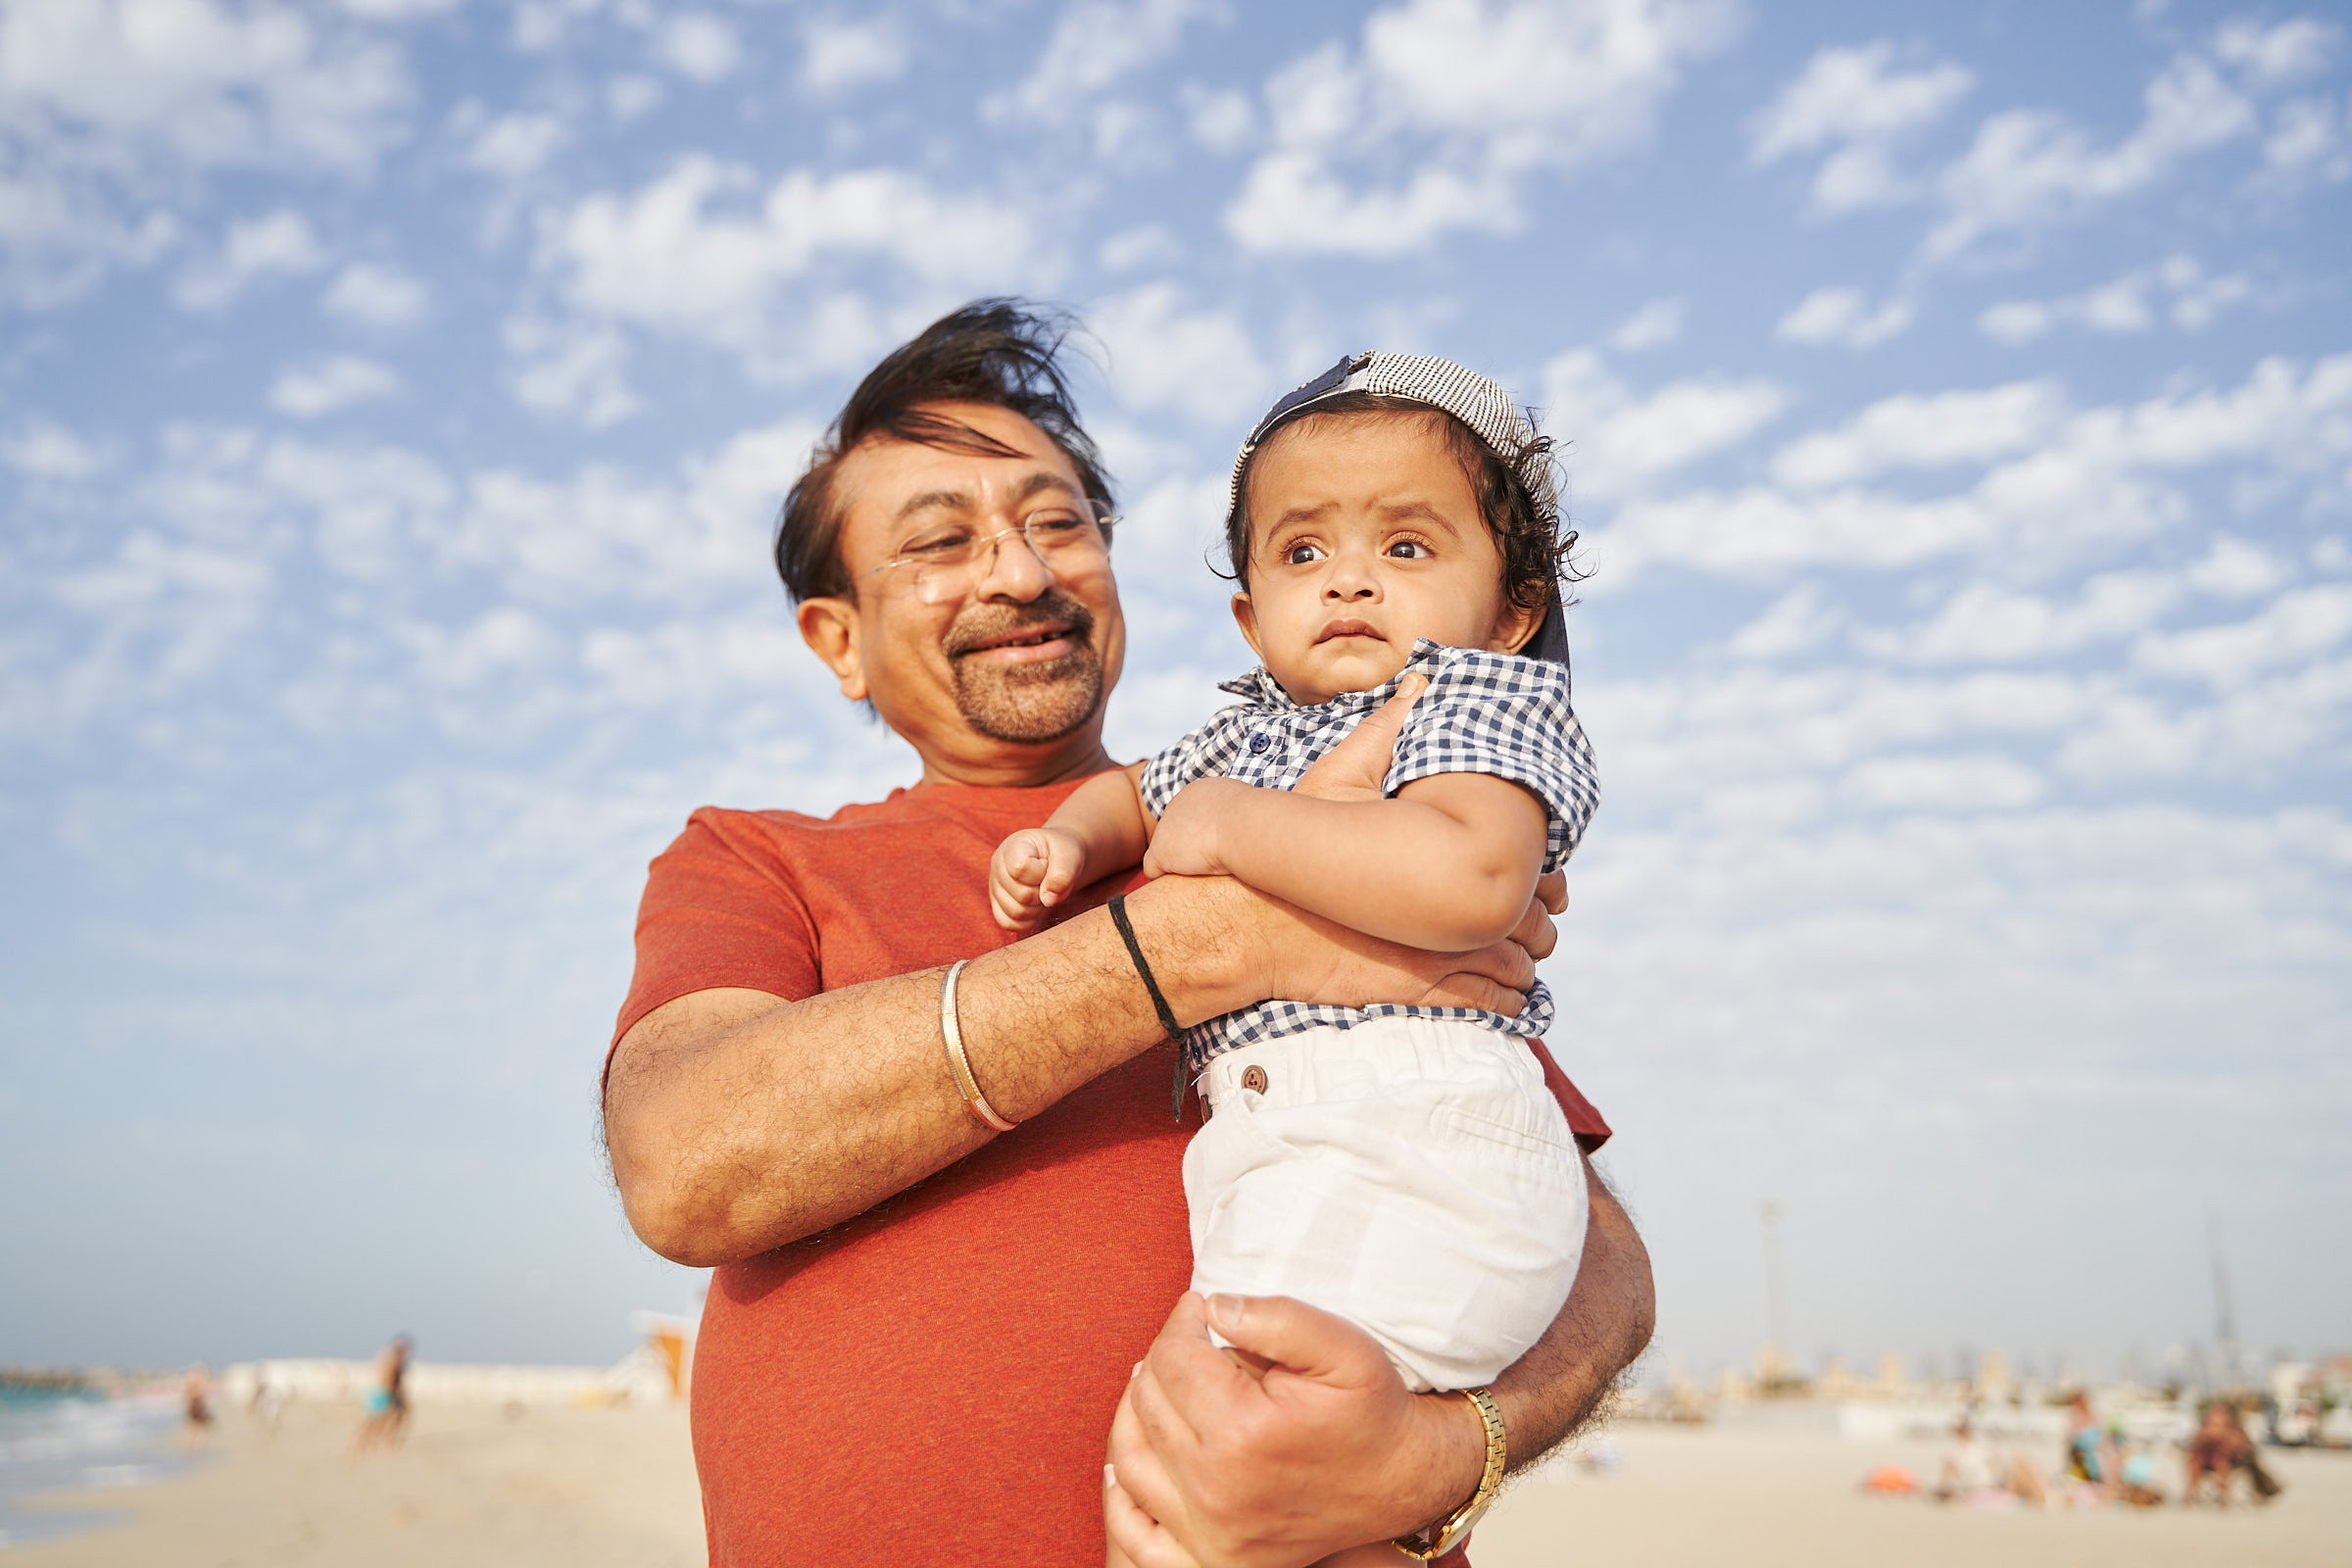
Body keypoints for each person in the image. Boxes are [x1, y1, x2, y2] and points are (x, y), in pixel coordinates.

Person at [600, 300, 1656, 1566]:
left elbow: (1594, 1253)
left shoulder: (1344, 800)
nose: (1022, 572)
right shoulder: (761, 858)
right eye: (942, 541)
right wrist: (1207, 945)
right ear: (836, 638)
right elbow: (686, 1157)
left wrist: (1436, 1457)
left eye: (1060, 525)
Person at [990, 354, 1594, 1564]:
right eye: (1304, 553)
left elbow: (1475, 878)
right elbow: (1130, 794)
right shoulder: (1235, 735)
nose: (1353, 579)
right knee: (1236, 1482)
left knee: (1214, 1456)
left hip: (1418, 1142)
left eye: (1410, 550)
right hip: (1294, 1147)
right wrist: (1065, 838)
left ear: (1514, 607)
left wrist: (1232, 830)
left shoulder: (1467, 699)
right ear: (1250, 613)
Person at [352, 1335, 412, 1453]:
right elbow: (389, 1380)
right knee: (376, 1420)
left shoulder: (391, 1360)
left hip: (383, 1392)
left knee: (385, 1419)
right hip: (384, 1393)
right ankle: (365, 1442)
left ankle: (374, 1442)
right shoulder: (393, 1361)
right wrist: (394, 1396)